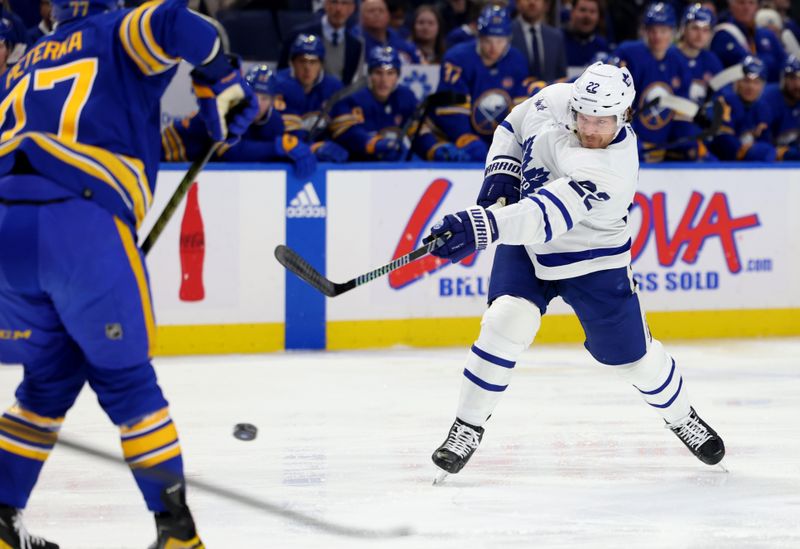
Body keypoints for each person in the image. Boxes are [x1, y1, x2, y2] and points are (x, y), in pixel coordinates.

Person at [0, 1, 258, 547]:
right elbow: (173, 22)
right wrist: (225, 79)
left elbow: (118, 125)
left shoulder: (23, 63)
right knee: (127, 381)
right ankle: (177, 534)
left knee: (46, 385)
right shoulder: (115, 29)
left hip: (7, 228)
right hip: (80, 222)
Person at [424, 61, 726, 484]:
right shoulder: (557, 100)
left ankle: (681, 416)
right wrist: (501, 172)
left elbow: (543, 217)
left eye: (603, 120)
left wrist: (483, 225)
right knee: (505, 321)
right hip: (528, 250)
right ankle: (466, 427)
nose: (590, 128)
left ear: (624, 116)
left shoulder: (611, 168)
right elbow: (514, 124)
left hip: (593, 260)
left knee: (633, 361)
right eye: (585, 115)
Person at [162, 65, 318, 177]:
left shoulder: (274, 121)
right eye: (254, 95)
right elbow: (230, 152)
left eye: (264, 98)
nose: (258, 103)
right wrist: (279, 146)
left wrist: (314, 149)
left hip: (191, 169)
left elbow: (276, 150)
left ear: (272, 101)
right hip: (165, 154)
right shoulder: (228, 111)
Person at [432, 4, 528, 161]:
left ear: (508, 39)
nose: (493, 48)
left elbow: (519, 108)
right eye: (487, 41)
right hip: (456, 136)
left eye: (499, 41)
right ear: (479, 36)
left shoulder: (517, 60)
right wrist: (465, 138)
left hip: (498, 136)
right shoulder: (456, 59)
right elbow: (450, 111)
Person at [614, 2, 699, 162]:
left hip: (660, 151)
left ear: (673, 32)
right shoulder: (629, 54)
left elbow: (681, 110)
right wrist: (631, 140)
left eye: (663, 30)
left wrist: (686, 142)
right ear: (644, 31)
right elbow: (617, 105)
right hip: (628, 147)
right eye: (652, 30)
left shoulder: (680, 63)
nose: (657, 36)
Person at [274, 33, 350, 163]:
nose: (307, 68)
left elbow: (346, 128)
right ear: (292, 62)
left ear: (321, 64)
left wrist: (367, 143)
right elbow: (283, 133)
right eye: (302, 61)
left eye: (313, 62)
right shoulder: (278, 85)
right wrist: (314, 147)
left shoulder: (334, 88)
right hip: (285, 159)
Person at [278, 0, 364, 86]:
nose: (338, 9)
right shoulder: (299, 35)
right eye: (334, 2)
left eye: (344, 3)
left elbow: (347, 83)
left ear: (352, 8)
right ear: (325, 4)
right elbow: (281, 73)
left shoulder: (355, 45)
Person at [708, 55, 776, 161]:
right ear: (737, 82)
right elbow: (723, 142)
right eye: (746, 81)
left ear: (762, 85)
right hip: (721, 164)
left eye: (756, 82)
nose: (751, 87)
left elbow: (766, 141)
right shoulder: (725, 102)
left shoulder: (763, 108)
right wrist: (746, 151)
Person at [710, 0, 785, 83]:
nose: (747, 8)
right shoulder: (723, 34)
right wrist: (771, 60)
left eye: (751, 3)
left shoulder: (767, 34)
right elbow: (749, 66)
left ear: (757, 7)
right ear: (731, 6)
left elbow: (784, 61)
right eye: (741, 3)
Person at [675, 3, 724, 106]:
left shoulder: (712, 60)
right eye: (695, 28)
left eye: (705, 30)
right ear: (683, 29)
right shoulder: (668, 56)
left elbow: (721, 95)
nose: (700, 35)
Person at [511, 0, 567, 82]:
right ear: (517, 3)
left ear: (546, 5)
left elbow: (562, 77)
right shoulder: (506, 35)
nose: (532, 2)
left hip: (549, 93)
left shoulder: (556, 37)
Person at [764, 55, 800, 159]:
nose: (797, 84)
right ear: (783, 78)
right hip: (770, 162)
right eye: (792, 78)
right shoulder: (769, 99)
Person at [562, 0, 609, 78]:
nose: (587, 16)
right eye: (582, 10)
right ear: (572, 13)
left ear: (599, 16)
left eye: (592, 12)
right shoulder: (558, 41)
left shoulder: (602, 45)